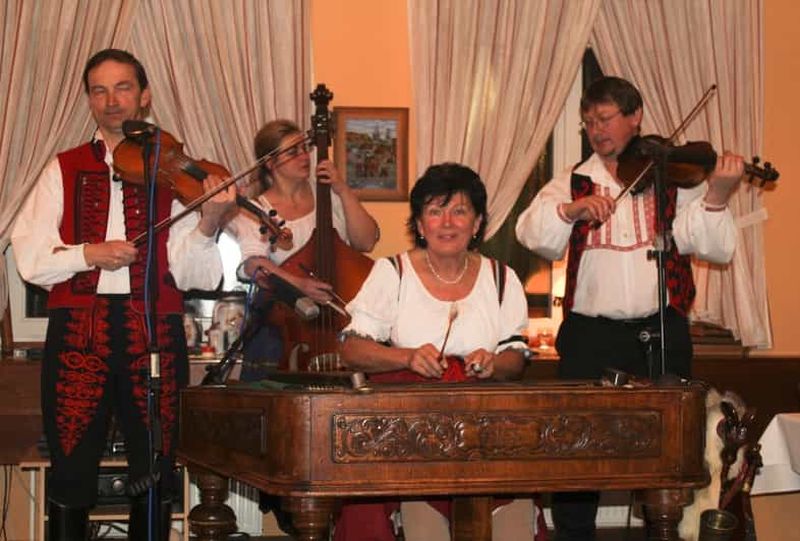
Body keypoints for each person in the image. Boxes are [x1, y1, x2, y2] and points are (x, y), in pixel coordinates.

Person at [10, 48, 235, 541]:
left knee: (155, 468)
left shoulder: (176, 170)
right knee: (70, 466)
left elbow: (199, 275)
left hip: (152, 329)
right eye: (99, 90)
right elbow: (29, 258)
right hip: (77, 332)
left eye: (123, 87)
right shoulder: (62, 168)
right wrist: (88, 253)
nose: (112, 101)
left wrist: (212, 221)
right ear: (89, 99)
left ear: (145, 95)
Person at [514, 76, 744, 541]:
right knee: (578, 447)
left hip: (662, 330)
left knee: (672, 450)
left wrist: (717, 194)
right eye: (588, 121)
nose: (595, 129)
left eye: (605, 118)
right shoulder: (572, 181)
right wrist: (571, 210)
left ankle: (671, 533)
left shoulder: (675, 178)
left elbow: (716, 248)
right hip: (590, 336)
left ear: (634, 117)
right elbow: (530, 233)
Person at [334, 163, 541, 541]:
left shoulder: (502, 278)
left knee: (513, 527)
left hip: (488, 437)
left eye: (459, 211)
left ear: (477, 223)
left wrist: (493, 363)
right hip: (410, 440)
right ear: (420, 222)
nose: (447, 222)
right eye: (434, 211)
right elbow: (351, 349)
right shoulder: (392, 271)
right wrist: (406, 357)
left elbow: (516, 358)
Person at [226, 119, 379, 377]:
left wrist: (342, 188)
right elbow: (254, 264)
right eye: (292, 152)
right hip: (284, 331)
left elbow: (366, 241)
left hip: (339, 325)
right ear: (270, 163)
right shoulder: (256, 211)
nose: (304, 156)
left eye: (304, 148)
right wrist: (298, 284)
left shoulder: (329, 199)